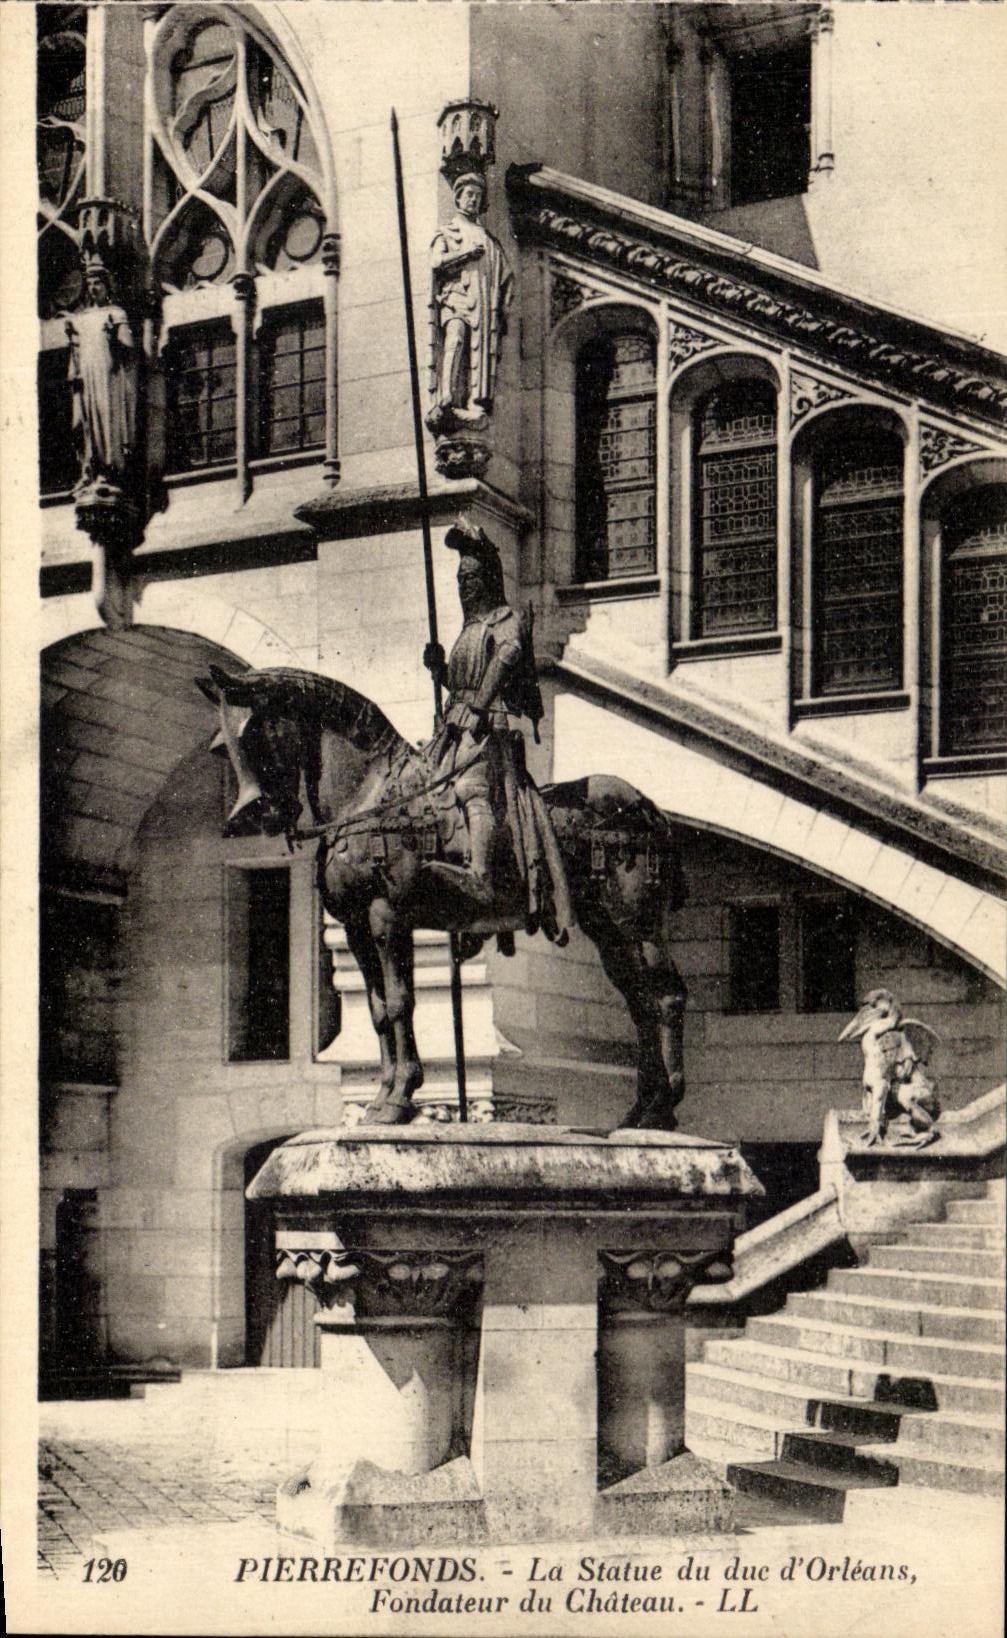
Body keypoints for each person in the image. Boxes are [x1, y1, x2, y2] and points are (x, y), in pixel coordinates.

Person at [422, 518, 572, 944]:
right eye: (460, 580)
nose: (464, 587)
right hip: (454, 726)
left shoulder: (507, 619)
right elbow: (461, 682)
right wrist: (440, 670)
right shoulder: (468, 629)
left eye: (471, 578)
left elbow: (507, 656)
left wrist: (480, 705)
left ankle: (481, 875)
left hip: (490, 726)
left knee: (471, 788)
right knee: (428, 789)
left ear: (487, 578)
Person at [427, 172, 512, 434]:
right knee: (455, 338)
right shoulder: (447, 232)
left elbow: (505, 274)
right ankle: (447, 396)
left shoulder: (489, 239)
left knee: (480, 348)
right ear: (458, 198)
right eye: (469, 195)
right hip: (456, 297)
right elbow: (436, 262)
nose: (473, 200)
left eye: (478, 196)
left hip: (483, 302)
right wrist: (466, 254)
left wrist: (504, 302)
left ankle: (476, 401)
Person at [65, 263, 138, 496]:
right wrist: (74, 373)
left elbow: (128, 349)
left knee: (107, 420)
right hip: (86, 377)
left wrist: (113, 336)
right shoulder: (81, 319)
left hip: (107, 374)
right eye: (90, 284)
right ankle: (90, 471)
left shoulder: (116, 314)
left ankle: (110, 470)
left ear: (107, 286)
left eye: (98, 283)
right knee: (84, 422)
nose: (93, 288)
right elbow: (75, 352)